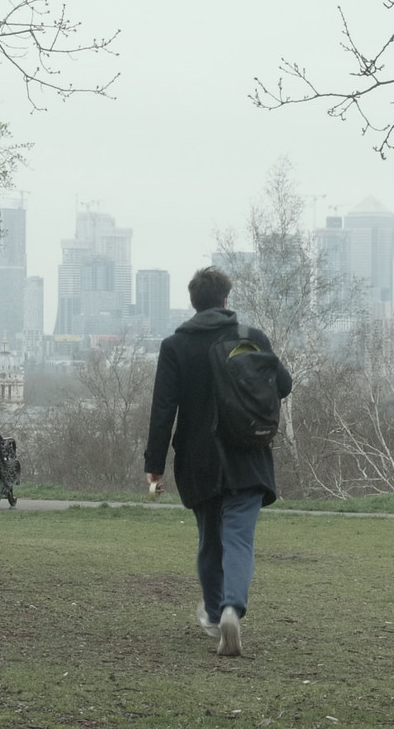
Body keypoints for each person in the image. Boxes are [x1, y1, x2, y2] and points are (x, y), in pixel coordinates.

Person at [144, 266, 292, 657]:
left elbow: (163, 410)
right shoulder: (250, 337)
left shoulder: (175, 346)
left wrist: (154, 465)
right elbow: (284, 385)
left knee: (210, 542)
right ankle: (232, 609)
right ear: (226, 300)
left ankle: (213, 614)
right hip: (248, 457)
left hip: (199, 462)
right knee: (239, 540)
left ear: (194, 303)